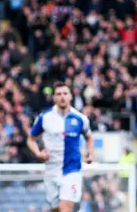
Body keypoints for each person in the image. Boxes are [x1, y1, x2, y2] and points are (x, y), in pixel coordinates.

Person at [27, 82, 94, 212]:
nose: (62, 97)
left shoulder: (80, 118)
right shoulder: (44, 118)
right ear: (54, 97)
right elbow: (30, 139)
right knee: (56, 209)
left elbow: (89, 136)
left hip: (72, 170)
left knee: (65, 208)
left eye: (65, 93)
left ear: (70, 96)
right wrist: (38, 153)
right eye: (58, 94)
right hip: (52, 170)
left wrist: (90, 153)